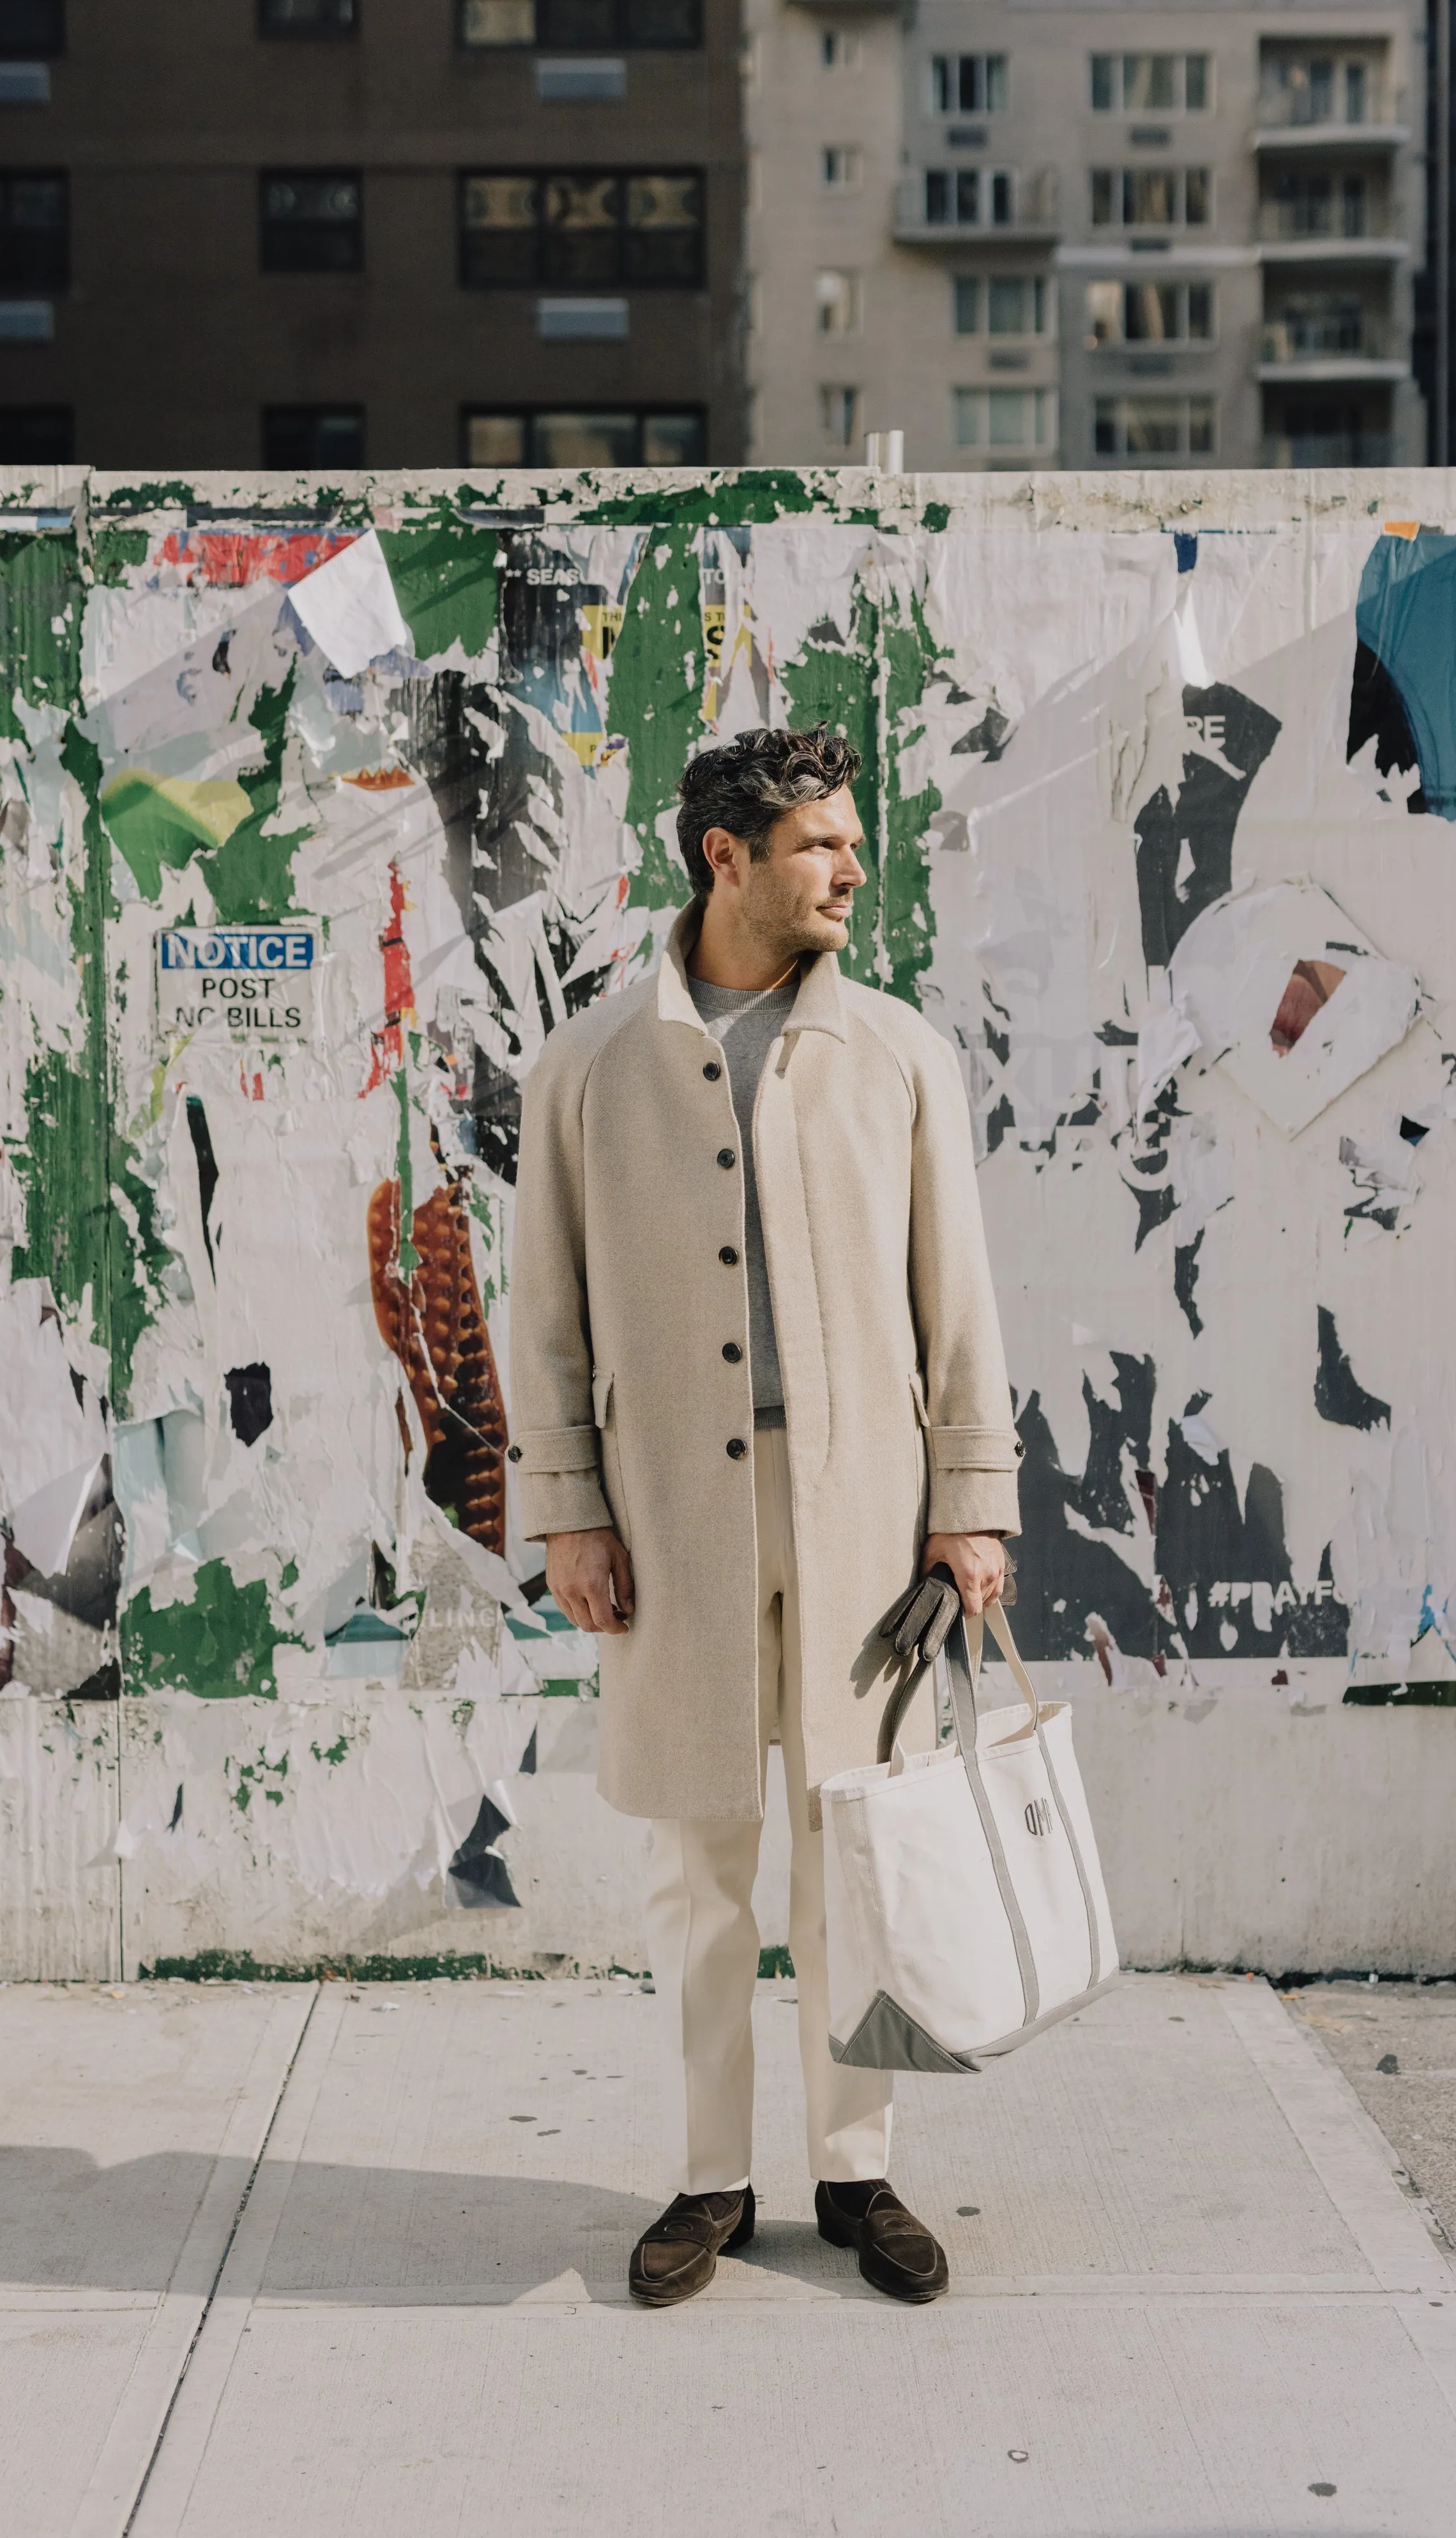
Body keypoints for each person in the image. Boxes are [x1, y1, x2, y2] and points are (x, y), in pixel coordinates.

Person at [507, 724, 1022, 2309]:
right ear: (724, 856)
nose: (850, 867)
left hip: (864, 1514)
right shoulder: (590, 1062)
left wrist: (972, 1507)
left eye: (849, 841)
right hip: (671, 1526)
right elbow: (547, 1316)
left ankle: (855, 2167)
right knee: (701, 1865)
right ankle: (712, 2173)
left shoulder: (896, 1052)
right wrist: (567, 1513)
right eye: (819, 843)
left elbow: (959, 1300)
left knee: (851, 1852)